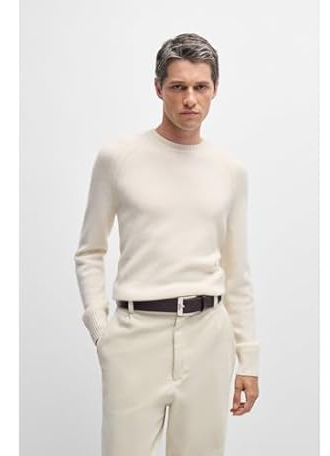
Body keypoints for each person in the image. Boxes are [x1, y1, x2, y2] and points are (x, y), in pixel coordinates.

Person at [74, 32, 260, 456]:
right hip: (135, 336)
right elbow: (89, 251)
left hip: (209, 338)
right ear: (158, 88)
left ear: (215, 89)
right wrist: (101, 329)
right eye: (178, 86)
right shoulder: (118, 158)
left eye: (200, 87)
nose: (190, 99)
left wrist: (248, 359)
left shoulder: (230, 171)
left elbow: (237, 271)